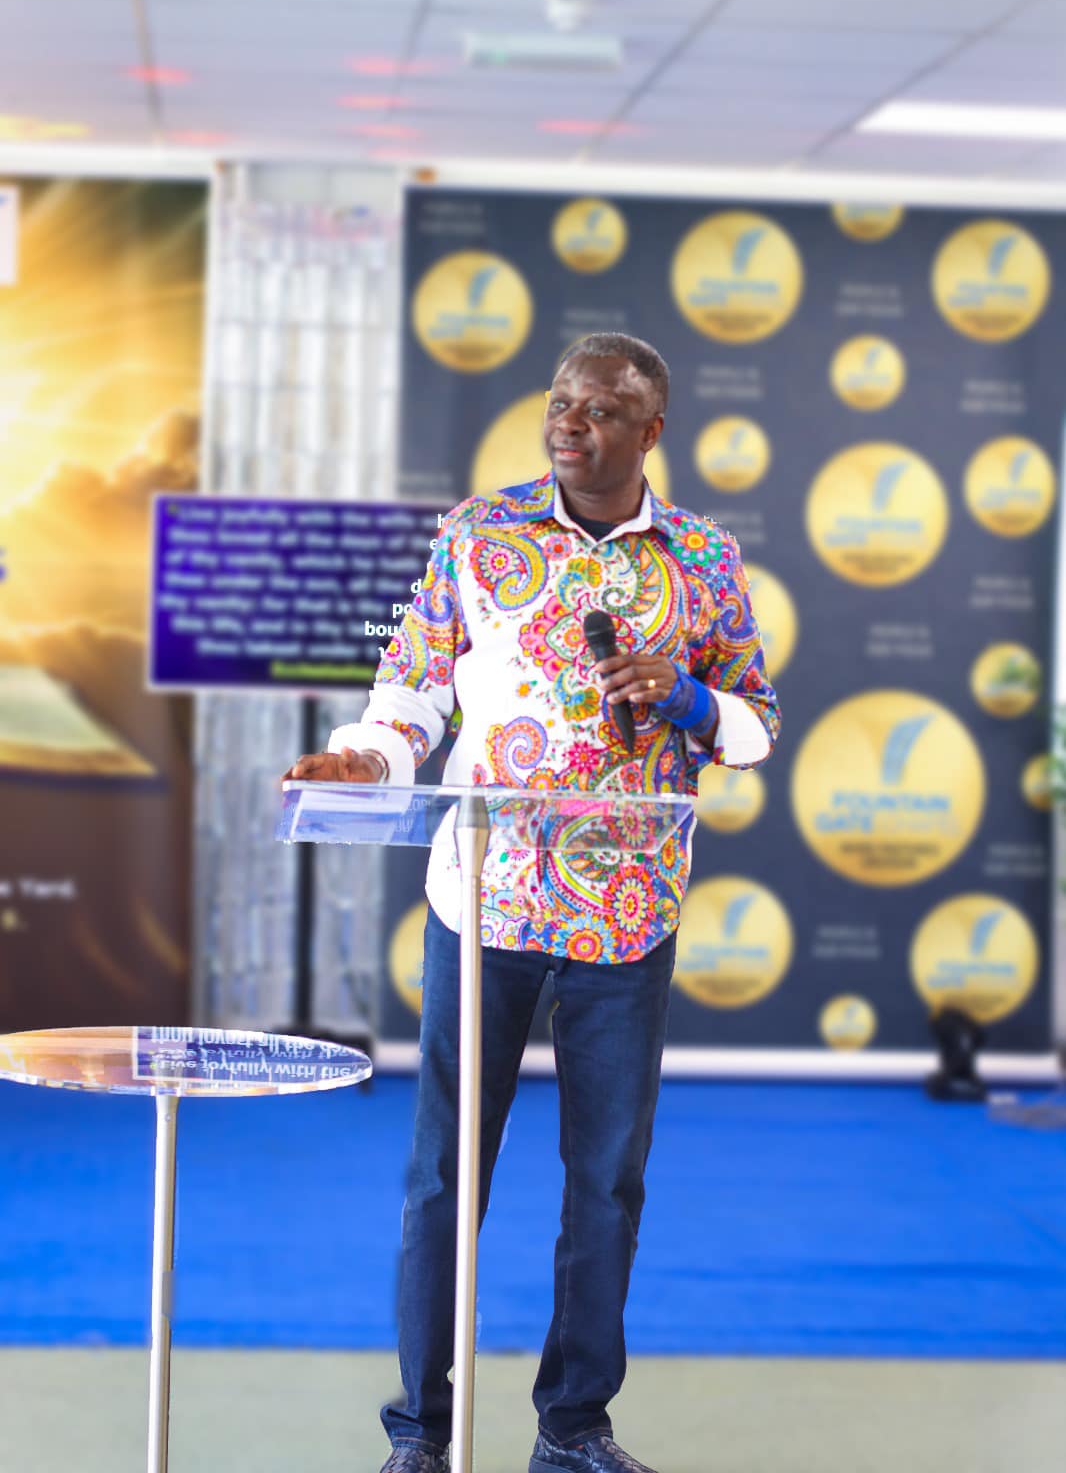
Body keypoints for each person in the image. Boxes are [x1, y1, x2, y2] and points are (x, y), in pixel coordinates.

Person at [286, 333, 780, 1473]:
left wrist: (688, 697)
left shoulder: (703, 557)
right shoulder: (478, 531)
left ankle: (573, 1427)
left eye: (600, 408)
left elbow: (755, 725)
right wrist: (367, 758)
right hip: (486, 897)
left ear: (650, 431)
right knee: (443, 1178)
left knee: (605, 1182)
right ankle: (421, 1432)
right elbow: (411, 690)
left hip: (629, 910)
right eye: (562, 402)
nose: (570, 421)